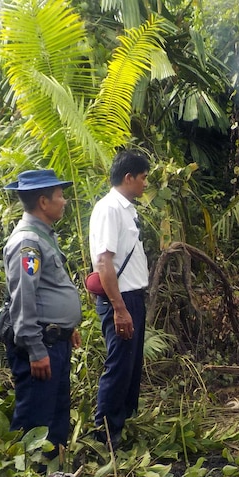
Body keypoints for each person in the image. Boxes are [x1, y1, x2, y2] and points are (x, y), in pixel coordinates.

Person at [0, 169, 82, 459]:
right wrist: (35, 349)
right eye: (60, 195)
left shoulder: (44, 237)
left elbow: (48, 288)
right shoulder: (27, 243)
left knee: (56, 415)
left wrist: (67, 328)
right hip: (41, 344)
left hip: (54, 340)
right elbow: (24, 297)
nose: (65, 201)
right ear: (43, 202)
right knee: (36, 420)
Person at [89, 150, 151, 449]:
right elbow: (103, 262)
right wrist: (119, 308)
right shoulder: (109, 209)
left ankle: (119, 424)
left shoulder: (128, 209)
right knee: (119, 364)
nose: (145, 184)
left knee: (130, 363)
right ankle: (104, 432)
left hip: (133, 298)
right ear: (128, 178)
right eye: (142, 178)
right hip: (121, 299)